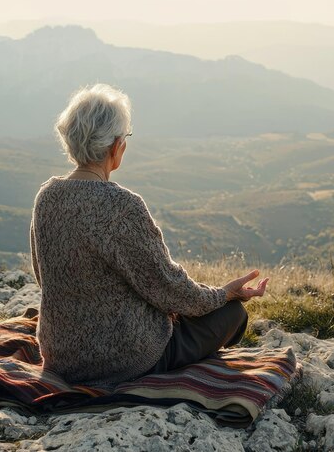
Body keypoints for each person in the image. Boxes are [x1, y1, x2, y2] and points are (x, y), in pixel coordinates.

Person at [30, 83, 269, 387]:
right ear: (117, 146)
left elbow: (44, 275)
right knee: (233, 315)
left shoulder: (47, 197)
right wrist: (224, 294)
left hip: (61, 358)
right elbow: (169, 289)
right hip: (125, 360)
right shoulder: (122, 206)